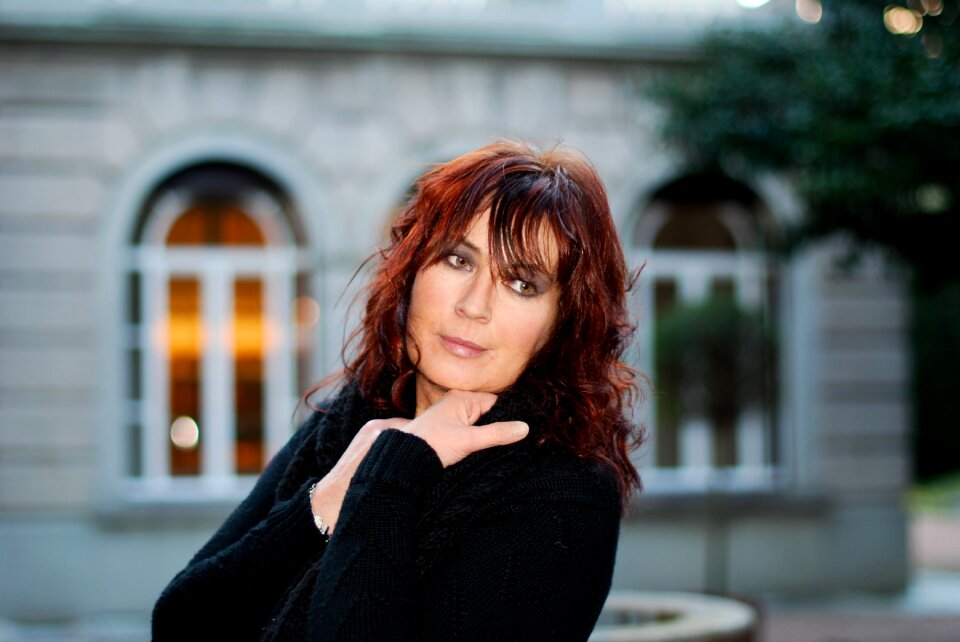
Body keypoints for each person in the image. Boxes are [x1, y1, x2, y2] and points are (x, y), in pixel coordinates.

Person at [152, 140, 644, 641]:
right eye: (458, 260)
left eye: (522, 284)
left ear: (564, 323)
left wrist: (391, 475)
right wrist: (321, 505)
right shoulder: (354, 416)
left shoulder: (564, 495)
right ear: (413, 270)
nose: (475, 305)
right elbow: (179, 622)